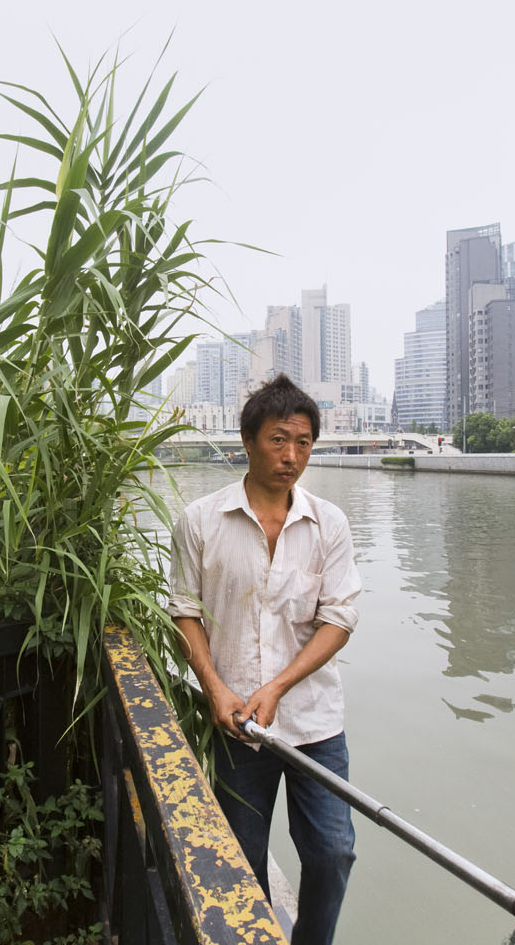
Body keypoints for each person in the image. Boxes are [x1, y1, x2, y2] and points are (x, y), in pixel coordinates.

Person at [167, 374, 362, 945]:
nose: (292, 456)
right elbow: (184, 611)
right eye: (279, 440)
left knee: (333, 853)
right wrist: (214, 689)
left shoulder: (330, 524)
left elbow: (340, 619)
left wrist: (277, 687)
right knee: (241, 858)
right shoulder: (201, 521)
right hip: (234, 725)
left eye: (303, 442)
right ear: (247, 440)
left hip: (315, 723)